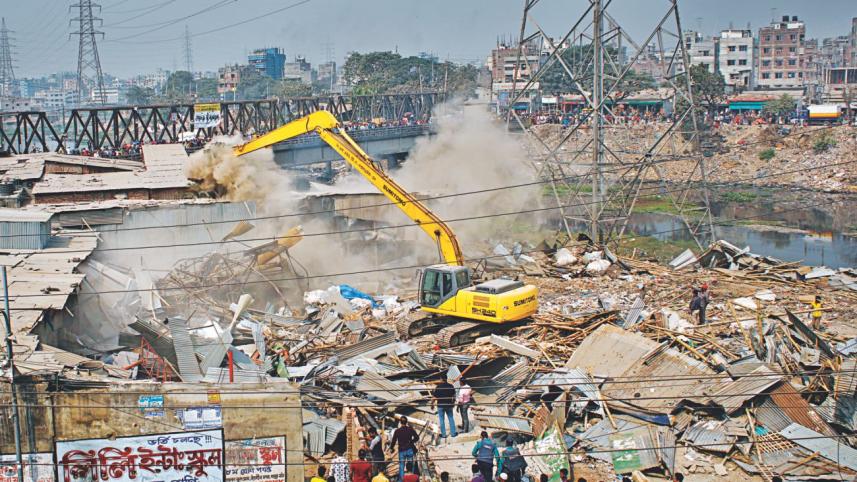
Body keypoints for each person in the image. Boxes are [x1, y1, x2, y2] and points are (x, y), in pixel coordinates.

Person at [388, 417, 419, 482]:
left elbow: (393, 441)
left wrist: (391, 448)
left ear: (400, 422)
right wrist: (411, 441)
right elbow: (417, 437)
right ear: (406, 422)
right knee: (410, 465)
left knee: (401, 467)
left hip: (401, 451)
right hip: (409, 449)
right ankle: (412, 479)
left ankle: (401, 480)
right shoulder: (410, 429)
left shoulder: (397, 431)